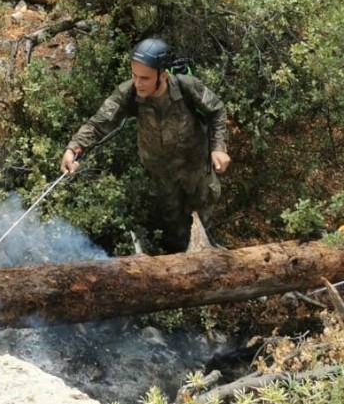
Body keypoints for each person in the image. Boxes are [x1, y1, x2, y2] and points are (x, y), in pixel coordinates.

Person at [60, 38, 230, 253]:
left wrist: (219, 147)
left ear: (164, 74)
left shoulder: (187, 87)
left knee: (202, 221)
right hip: (161, 177)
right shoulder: (128, 93)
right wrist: (73, 149)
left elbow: (217, 110)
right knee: (173, 229)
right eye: (134, 75)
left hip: (195, 171)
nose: (138, 83)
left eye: (145, 78)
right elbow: (98, 123)